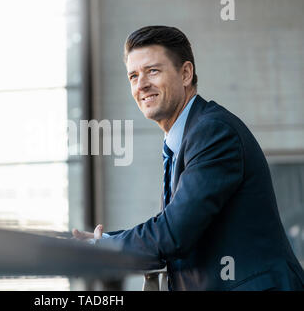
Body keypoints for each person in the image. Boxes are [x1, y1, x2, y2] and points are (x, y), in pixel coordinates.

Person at [72, 26, 304, 291]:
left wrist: (105, 247)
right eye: (133, 76)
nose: (141, 84)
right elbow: (176, 227)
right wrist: (107, 240)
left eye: (153, 71)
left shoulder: (213, 132)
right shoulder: (184, 139)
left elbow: (174, 233)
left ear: (185, 73)